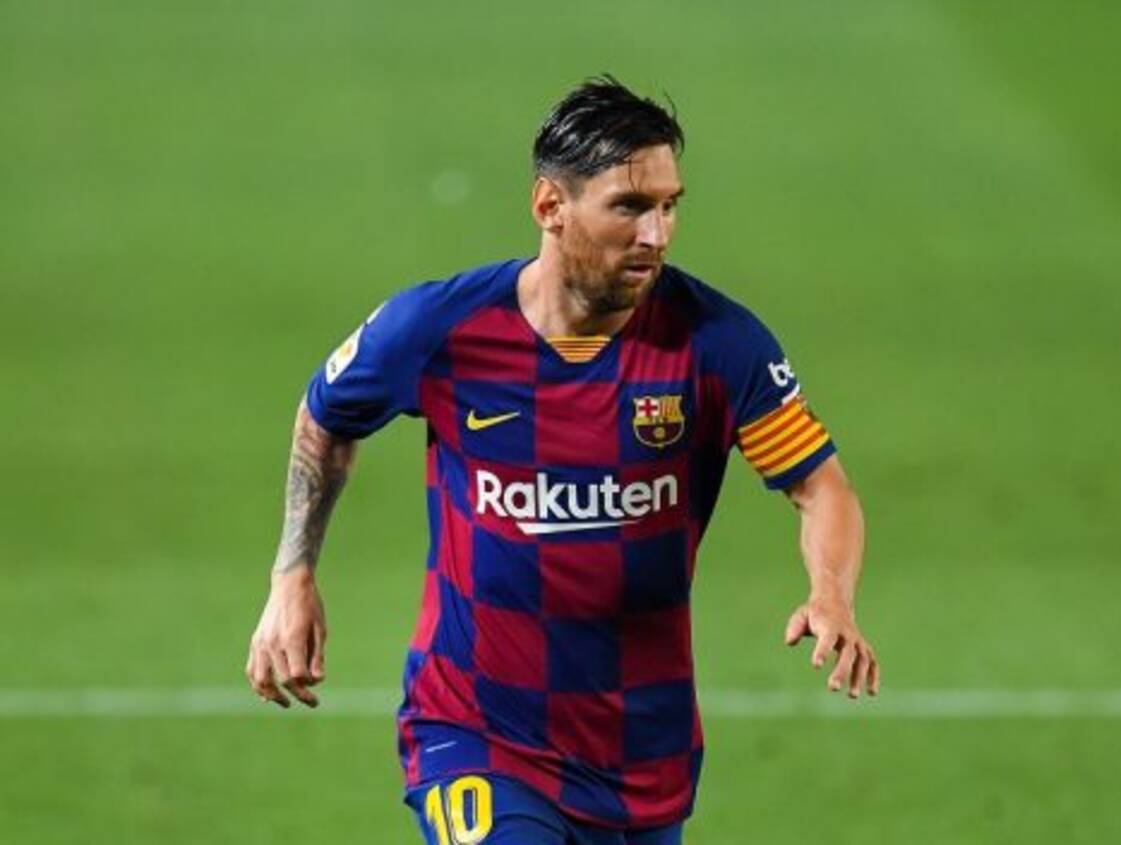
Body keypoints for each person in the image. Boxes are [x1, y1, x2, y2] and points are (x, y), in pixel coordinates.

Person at [246, 75, 879, 845]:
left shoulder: (716, 344)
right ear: (550, 205)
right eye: (630, 207)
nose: (657, 234)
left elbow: (820, 486)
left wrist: (831, 594)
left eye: (669, 205)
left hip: (642, 750)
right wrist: (292, 574)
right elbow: (326, 416)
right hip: (475, 729)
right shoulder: (440, 328)